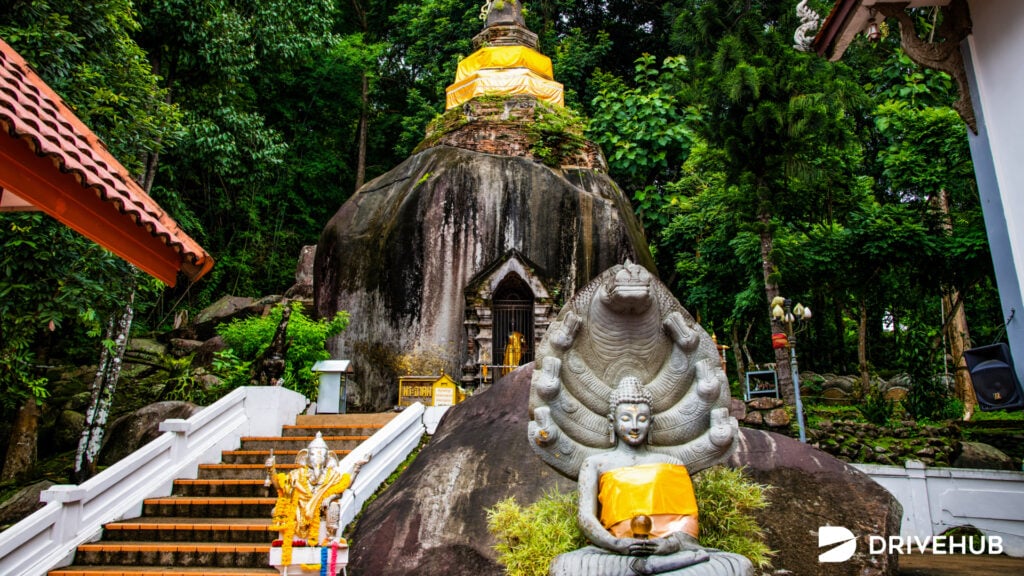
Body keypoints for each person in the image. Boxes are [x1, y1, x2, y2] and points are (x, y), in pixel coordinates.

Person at [550, 377, 751, 576]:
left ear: (651, 422)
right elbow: (586, 518)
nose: (634, 426)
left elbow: (687, 521)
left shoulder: (671, 463)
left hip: (667, 551)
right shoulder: (595, 464)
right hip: (616, 552)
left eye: (642, 419)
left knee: (738, 566)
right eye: (626, 419)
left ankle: (651, 566)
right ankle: (648, 567)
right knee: (566, 567)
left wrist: (670, 544)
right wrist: (617, 544)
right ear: (612, 422)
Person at [266, 432, 369, 546]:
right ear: (305, 457)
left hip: (322, 507)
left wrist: (357, 467)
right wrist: (271, 471)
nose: (318, 459)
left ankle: (331, 538)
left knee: (334, 507)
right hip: (300, 505)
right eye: (313, 455)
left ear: (329, 458)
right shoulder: (297, 474)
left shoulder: (332, 475)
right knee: (277, 511)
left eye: (322, 456)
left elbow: (344, 486)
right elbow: (280, 485)